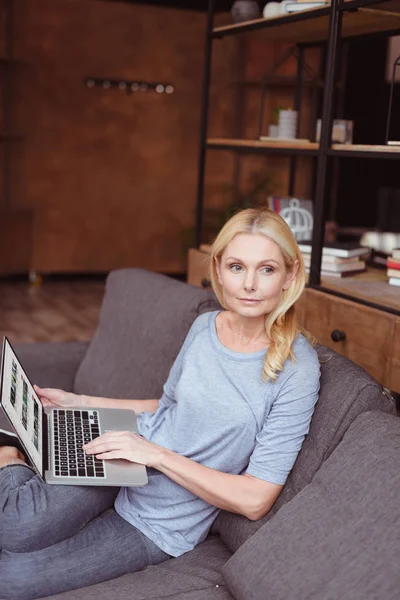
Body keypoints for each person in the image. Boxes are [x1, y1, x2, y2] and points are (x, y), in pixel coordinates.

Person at [0, 207, 320, 600]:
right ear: (218, 269)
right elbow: (167, 404)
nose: (250, 284)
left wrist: (155, 455)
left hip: (157, 521)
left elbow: (254, 499)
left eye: (267, 269)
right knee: (19, 526)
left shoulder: (296, 370)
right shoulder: (206, 327)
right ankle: (17, 459)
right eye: (237, 266)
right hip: (124, 459)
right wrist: (77, 400)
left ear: (290, 275)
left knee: (9, 576)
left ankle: (9, 459)